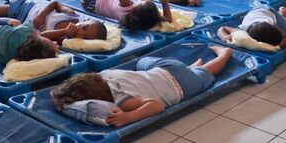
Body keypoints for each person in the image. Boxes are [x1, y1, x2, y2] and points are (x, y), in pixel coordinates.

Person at [51, 45, 233, 126]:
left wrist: (128, 117)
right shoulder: (104, 75)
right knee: (142, 63)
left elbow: (157, 105)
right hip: (167, 68)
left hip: (183, 86)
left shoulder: (123, 101)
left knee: (208, 72)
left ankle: (223, 55)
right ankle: (194, 67)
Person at [0, 0, 107, 44]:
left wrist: (65, 31)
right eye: (84, 28)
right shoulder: (71, 15)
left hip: (24, 22)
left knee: (5, 26)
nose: (80, 33)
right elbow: (54, 3)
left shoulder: (64, 37)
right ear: (85, 21)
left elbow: (41, 36)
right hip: (29, 8)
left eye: (84, 38)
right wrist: (42, 15)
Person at [217, 6, 286, 48]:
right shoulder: (243, 30)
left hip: (268, 11)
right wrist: (224, 37)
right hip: (255, 13)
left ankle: (283, 13)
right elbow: (222, 29)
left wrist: (278, 47)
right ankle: (282, 13)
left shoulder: (271, 24)